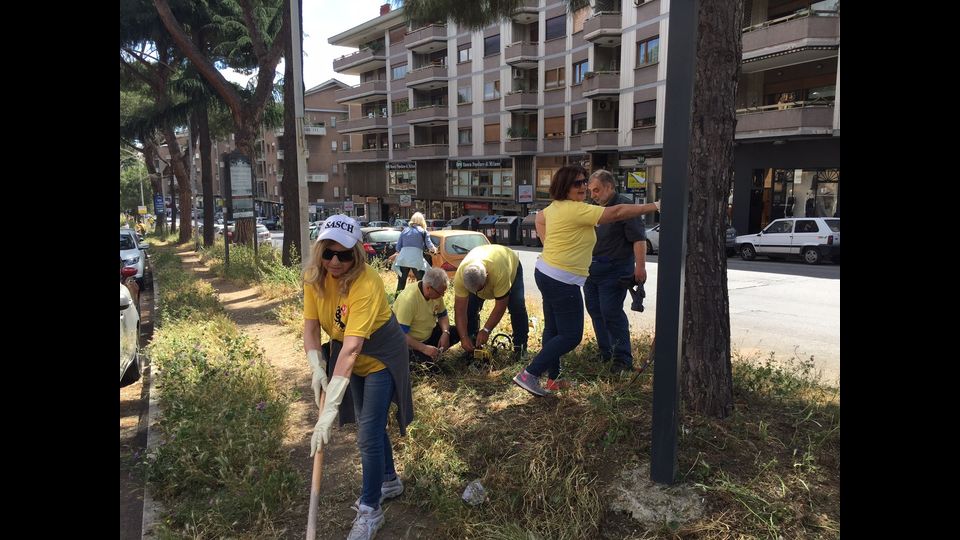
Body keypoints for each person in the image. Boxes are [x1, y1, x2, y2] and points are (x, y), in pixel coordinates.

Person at [302, 214, 414, 540]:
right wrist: (315, 365)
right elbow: (310, 327)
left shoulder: (366, 283)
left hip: (380, 355)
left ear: (357, 255)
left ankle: (370, 509)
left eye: (344, 254)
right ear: (320, 251)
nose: (335, 261)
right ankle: (389, 480)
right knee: (371, 422)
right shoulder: (314, 278)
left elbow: (352, 349)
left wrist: (330, 409)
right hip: (348, 353)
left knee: (366, 433)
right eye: (328, 253)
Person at [513, 165, 660, 397]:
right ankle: (530, 373)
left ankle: (553, 379)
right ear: (565, 187)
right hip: (562, 279)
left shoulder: (556, 207)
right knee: (571, 335)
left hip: (547, 272)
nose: (583, 187)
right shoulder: (576, 209)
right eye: (578, 184)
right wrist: (656, 205)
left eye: (585, 183)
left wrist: (551, 244)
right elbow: (618, 212)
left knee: (553, 328)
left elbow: (538, 219)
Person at [584, 170, 647, 374]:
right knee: (595, 311)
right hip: (591, 270)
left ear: (610, 187)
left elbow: (638, 239)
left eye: (597, 190)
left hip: (615, 269)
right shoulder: (594, 208)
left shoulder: (624, 206)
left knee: (610, 312)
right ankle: (606, 353)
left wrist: (640, 267)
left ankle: (622, 359)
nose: (593, 195)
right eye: (590, 191)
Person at [453, 244, 529, 359]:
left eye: (480, 289)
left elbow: (500, 306)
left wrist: (486, 329)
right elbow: (459, 310)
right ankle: (472, 344)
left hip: (510, 264)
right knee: (470, 309)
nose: (478, 293)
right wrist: (463, 337)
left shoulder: (499, 272)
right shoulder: (461, 276)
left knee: (517, 308)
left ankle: (520, 348)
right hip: (482, 264)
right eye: (473, 291)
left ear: (487, 276)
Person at [392, 267, 460, 366]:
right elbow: (401, 335)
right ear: (428, 288)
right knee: (432, 368)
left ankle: (432, 353)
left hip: (427, 335)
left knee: (457, 332)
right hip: (408, 345)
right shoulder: (408, 300)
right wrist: (424, 348)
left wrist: (445, 333)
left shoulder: (435, 293)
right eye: (441, 293)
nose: (443, 296)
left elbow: (442, 315)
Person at [391, 212, 437, 292]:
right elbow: (430, 246)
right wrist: (435, 250)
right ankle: (420, 301)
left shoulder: (404, 231)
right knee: (421, 283)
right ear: (422, 221)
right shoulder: (423, 232)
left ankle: (397, 302)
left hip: (403, 260)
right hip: (416, 260)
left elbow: (398, 248)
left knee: (401, 284)